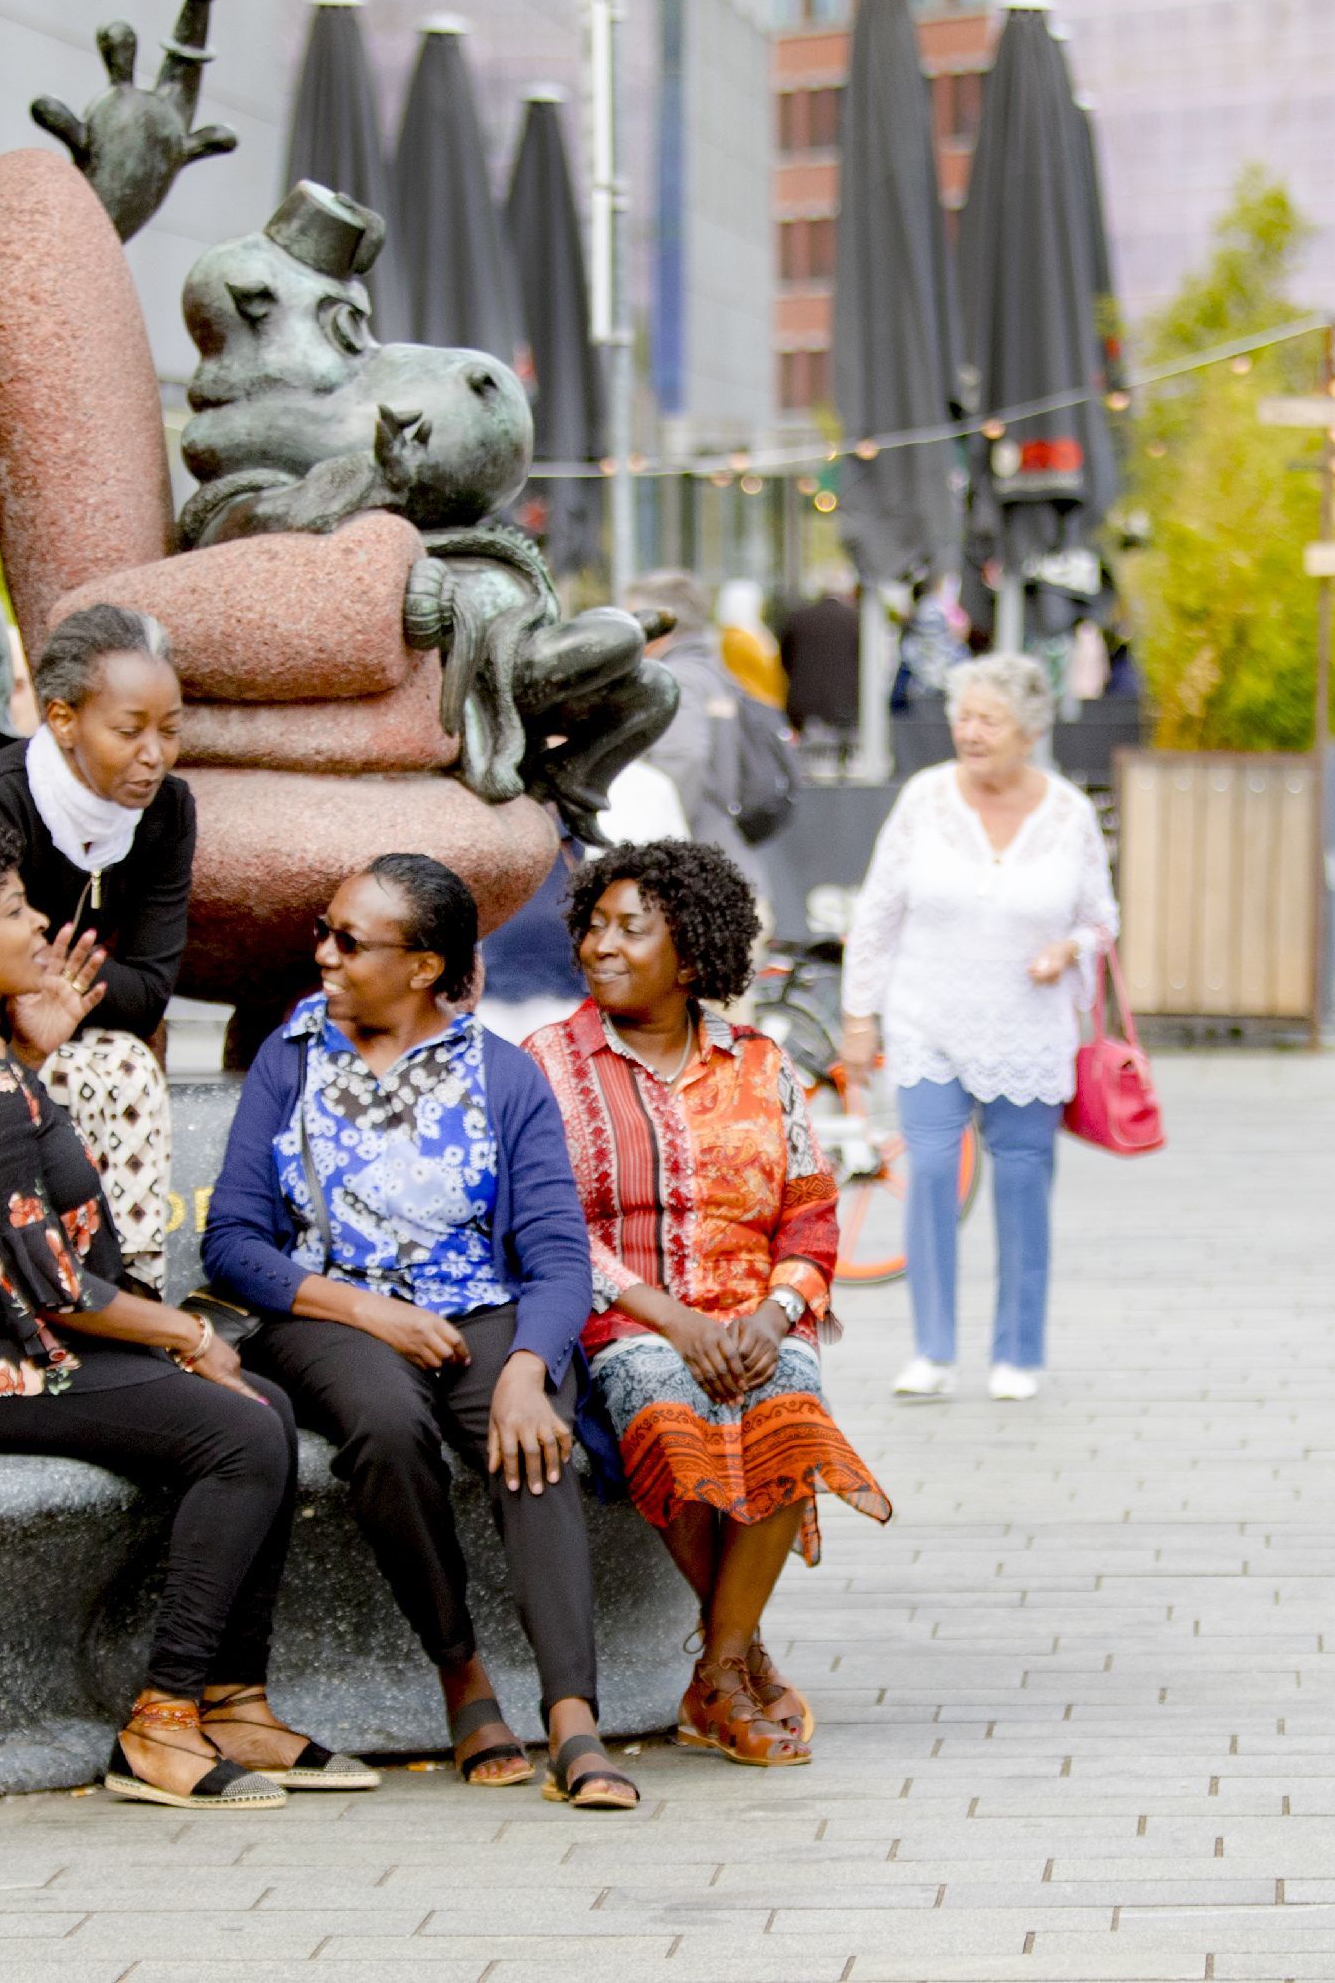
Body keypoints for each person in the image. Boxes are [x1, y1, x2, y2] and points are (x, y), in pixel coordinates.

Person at [0, 815, 369, 1811]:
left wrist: (28, 1053)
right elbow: (54, 1287)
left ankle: (235, 1701)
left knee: (262, 1412)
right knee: (243, 1430)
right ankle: (162, 1723)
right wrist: (188, 1333)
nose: (39, 922)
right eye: (11, 912)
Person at [198, 854, 639, 1810]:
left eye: (349, 941)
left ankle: (573, 1717)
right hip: (327, 1312)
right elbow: (230, 1242)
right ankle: (463, 1676)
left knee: (534, 1442)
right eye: (325, 929)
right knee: (387, 1428)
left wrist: (529, 1366)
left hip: (479, 1311)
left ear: (426, 967)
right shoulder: (292, 1059)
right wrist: (362, 1308)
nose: (323, 952)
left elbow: (559, 1258)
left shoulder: (501, 1075)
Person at [524, 840, 893, 1767]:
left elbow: (811, 1215)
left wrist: (773, 1317)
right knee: (666, 1405)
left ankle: (720, 1666)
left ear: (690, 959)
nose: (601, 946)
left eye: (630, 931)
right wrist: (676, 1321)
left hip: (756, 1312)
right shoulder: (550, 1065)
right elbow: (554, 1225)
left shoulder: (763, 1066)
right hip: (629, 1316)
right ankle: (734, 1670)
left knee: (789, 1410)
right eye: (594, 926)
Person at [839, 653, 1120, 1403]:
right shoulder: (924, 800)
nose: (970, 731)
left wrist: (1070, 949)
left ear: (1029, 730)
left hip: (1028, 1028)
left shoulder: (1068, 812)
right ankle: (932, 1349)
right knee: (930, 1174)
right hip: (928, 1015)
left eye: (988, 719)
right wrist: (859, 1014)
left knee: (1023, 1183)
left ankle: (1018, 1352)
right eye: (964, 716)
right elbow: (876, 914)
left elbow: (1101, 919)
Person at [0, 604, 197, 1286]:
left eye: (169, 731)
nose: (153, 756)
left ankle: (133, 1286)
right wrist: (61, 986)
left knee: (124, 1064)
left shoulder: (168, 811)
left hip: (58, 1019)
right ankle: (46, 1290)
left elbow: (150, 994)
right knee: (81, 1076)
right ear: (63, 719)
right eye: (129, 731)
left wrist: (51, 980)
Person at [626, 570, 772, 889]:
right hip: (727, 863)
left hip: (697, 881)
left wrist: (652, 846)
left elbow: (684, 756)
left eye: (630, 622)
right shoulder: (715, 674)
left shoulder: (677, 681)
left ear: (659, 629)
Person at [780, 564, 865, 771]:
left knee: (807, 767)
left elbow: (785, 660)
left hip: (803, 706)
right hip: (846, 705)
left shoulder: (798, 618)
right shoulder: (856, 620)